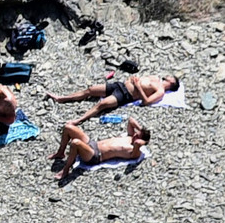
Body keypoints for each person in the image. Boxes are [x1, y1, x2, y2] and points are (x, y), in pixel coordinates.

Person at [47, 74, 180, 125]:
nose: (168, 76)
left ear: (172, 83)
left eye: (170, 77)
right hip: (120, 85)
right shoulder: (155, 78)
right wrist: (131, 79)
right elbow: (138, 77)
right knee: (91, 89)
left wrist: (138, 87)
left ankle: (78, 120)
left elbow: (146, 102)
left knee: (102, 104)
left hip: (126, 95)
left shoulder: (160, 91)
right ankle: (62, 98)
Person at [50, 117, 150, 180]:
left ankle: (66, 169)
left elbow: (137, 144)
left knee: (75, 143)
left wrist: (143, 142)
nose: (135, 135)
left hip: (94, 155)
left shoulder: (133, 150)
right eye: (136, 133)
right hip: (92, 144)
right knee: (68, 127)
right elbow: (131, 120)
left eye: (138, 136)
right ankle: (60, 152)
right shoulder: (130, 136)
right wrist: (141, 130)